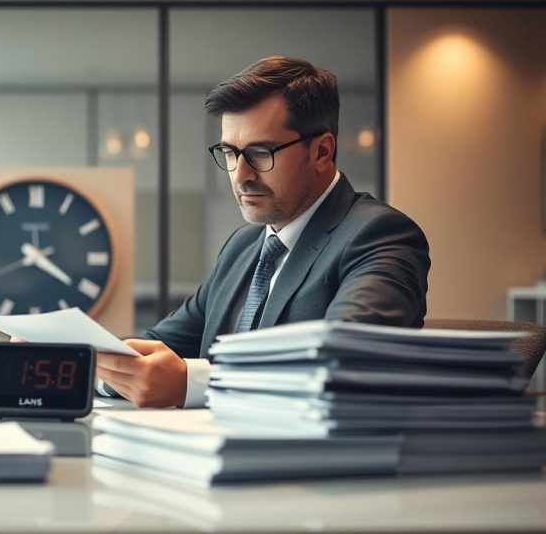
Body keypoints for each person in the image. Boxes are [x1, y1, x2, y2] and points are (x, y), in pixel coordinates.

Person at [96, 56, 430, 409]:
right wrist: (93, 366)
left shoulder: (380, 235)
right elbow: (155, 346)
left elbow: (342, 361)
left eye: (260, 152)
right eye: (229, 152)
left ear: (322, 151)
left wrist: (194, 384)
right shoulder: (242, 246)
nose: (240, 175)